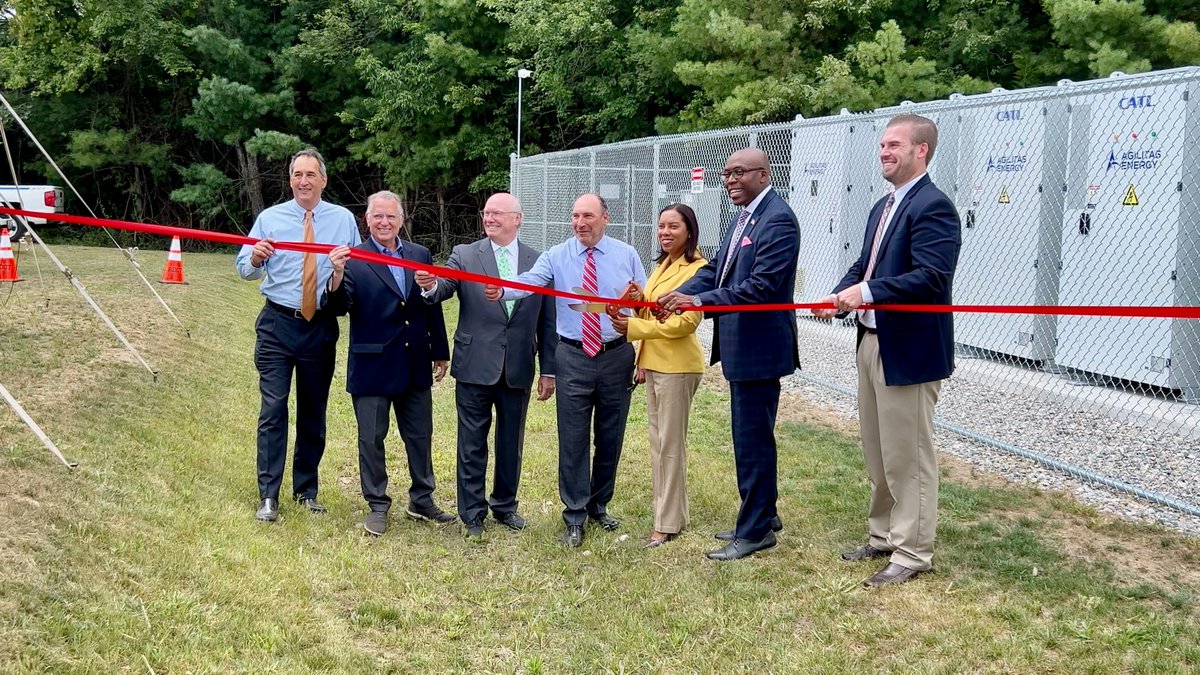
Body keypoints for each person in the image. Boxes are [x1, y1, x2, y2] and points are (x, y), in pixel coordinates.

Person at [813, 114, 961, 587]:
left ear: (922, 150)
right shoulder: (882, 206)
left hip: (909, 350)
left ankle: (912, 552)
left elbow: (932, 276)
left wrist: (869, 292)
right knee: (878, 451)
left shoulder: (934, 206)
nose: (883, 152)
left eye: (894, 144)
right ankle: (882, 537)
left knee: (909, 455)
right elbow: (865, 264)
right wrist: (838, 295)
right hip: (871, 341)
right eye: (881, 145)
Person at [658, 148, 800, 561]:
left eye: (738, 173)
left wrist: (698, 303)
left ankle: (755, 532)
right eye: (726, 174)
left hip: (760, 348)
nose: (730, 180)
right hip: (742, 347)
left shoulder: (777, 219)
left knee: (752, 439)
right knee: (750, 437)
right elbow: (717, 267)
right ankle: (764, 514)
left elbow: (760, 288)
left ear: (762, 173)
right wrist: (689, 288)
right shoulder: (745, 217)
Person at [484, 193, 647, 548]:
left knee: (610, 437)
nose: (580, 223)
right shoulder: (557, 256)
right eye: (575, 216)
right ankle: (574, 516)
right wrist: (503, 290)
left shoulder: (627, 255)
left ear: (606, 217)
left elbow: (643, 303)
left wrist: (635, 324)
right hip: (572, 356)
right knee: (572, 440)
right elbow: (528, 282)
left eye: (587, 216)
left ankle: (598, 505)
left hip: (616, 355)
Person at [413, 193, 557, 540]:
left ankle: (505, 506)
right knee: (472, 441)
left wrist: (548, 369)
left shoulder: (538, 261)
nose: (489, 218)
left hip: (518, 366)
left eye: (497, 213)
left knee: (511, 441)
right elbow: (444, 285)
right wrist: (431, 285)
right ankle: (472, 513)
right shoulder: (465, 254)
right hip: (476, 363)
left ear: (517, 219)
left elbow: (547, 322)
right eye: (486, 213)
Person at [235, 148, 361, 523]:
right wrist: (256, 258)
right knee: (273, 408)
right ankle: (268, 495)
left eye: (311, 174)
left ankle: (306, 490)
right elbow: (244, 268)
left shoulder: (343, 220)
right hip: (277, 324)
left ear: (323, 179)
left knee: (312, 411)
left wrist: (341, 272)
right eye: (297, 175)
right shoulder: (270, 218)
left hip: (319, 326)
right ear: (290, 180)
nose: (303, 181)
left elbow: (354, 274)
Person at [325, 191, 454, 536]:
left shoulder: (419, 254)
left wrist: (439, 350)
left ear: (401, 219)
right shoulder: (353, 259)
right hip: (372, 365)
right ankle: (378, 503)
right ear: (366, 220)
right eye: (377, 217)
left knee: (420, 434)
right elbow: (339, 306)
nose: (384, 222)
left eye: (391, 217)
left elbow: (430, 303)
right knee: (371, 438)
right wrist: (335, 275)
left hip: (414, 360)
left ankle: (422, 500)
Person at [608, 204, 707, 549]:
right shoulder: (662, 266)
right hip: (655, 364)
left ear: (689, 231)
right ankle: (672, 514)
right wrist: (638, 301)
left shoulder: (697, 269)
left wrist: (634, 325)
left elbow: (685, 322)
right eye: (661, 226)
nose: (665, 233)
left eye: (673, 227)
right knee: (660, 443)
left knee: (669, 445)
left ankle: (665, 524)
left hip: (678, 367)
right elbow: (656, 311)